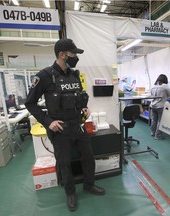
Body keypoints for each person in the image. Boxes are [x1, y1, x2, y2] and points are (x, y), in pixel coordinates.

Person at [25, 38, 105, 212]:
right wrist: (48, 121)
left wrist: (84, 107)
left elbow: (77, 96)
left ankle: (89, 185)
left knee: (88, 156)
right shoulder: (44, 76)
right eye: (73, 53)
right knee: (64, 163)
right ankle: (70, 192)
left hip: (78, 125)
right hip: (60, 130)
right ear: (62, 54)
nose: (75, 56)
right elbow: (29, 103)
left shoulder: (74, 75)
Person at [150, 74, 170, 140]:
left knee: (154, 119)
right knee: (160, 120)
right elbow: (169, 95)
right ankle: (158, 135)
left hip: (153, 105)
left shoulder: (153, 86)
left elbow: (151, 95)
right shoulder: (165, 86)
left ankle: (153, 132)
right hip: (161, 106)